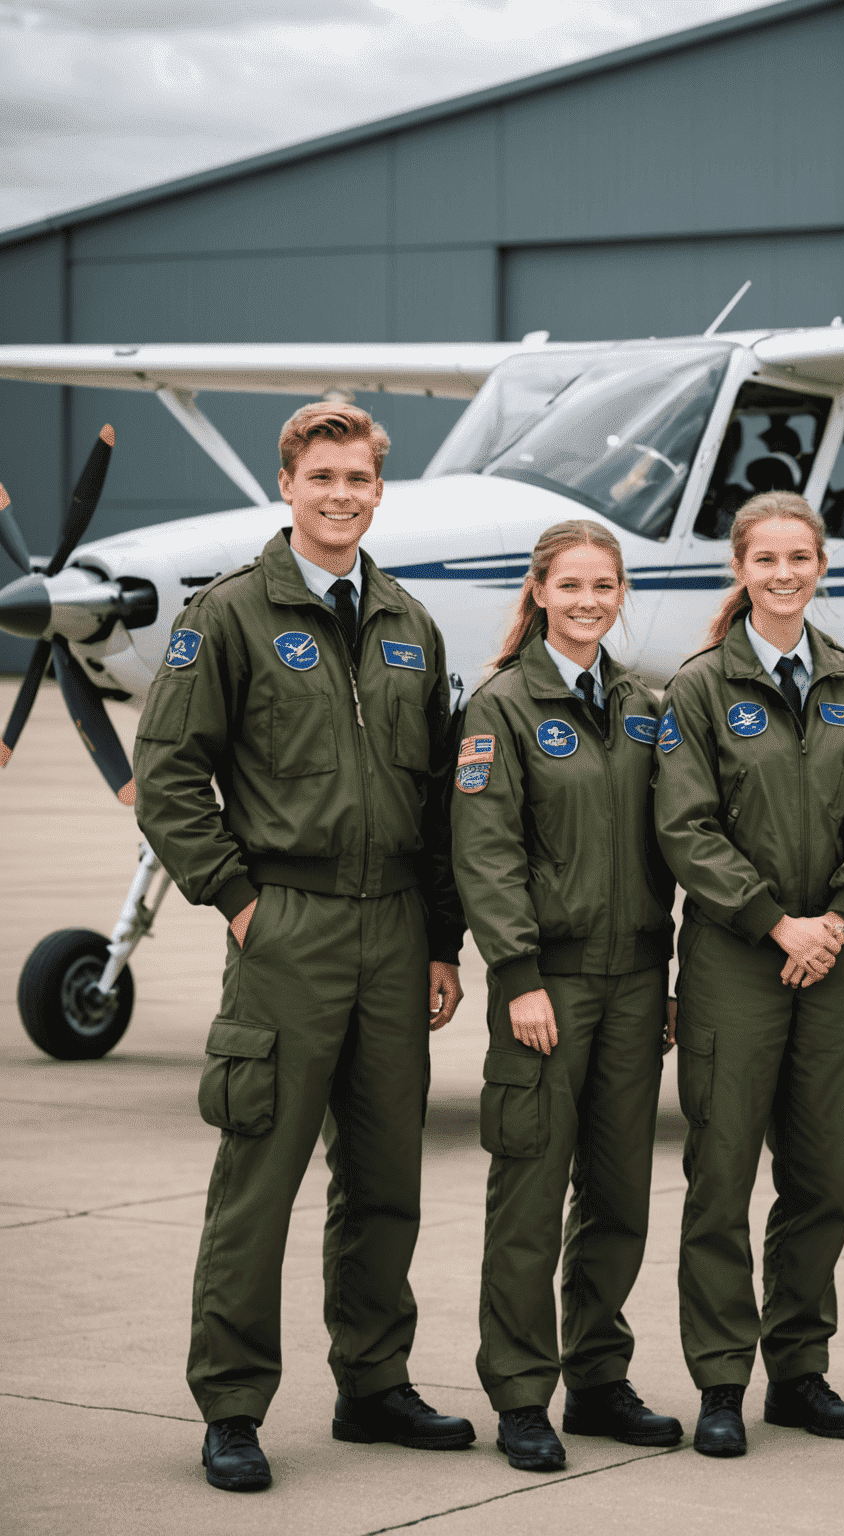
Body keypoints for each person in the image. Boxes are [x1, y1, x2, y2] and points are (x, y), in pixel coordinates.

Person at [133, 401, 472, 1493]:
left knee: (385, 1179)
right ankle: (232, 1405)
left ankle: (374, 1384)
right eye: (321, 476)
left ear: (381, 490)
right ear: (288, 484)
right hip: (290, 928)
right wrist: (237, 900)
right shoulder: (228, 616)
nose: (341, 495)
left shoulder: (410, 624)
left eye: (359, 479)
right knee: (259, 1178)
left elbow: (436, 806)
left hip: (396, 935)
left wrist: (441, 941)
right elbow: (171, 775)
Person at [652, 491, 844, 1457]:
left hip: (835, 961)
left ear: (821, 565)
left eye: (800, 558)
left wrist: (836, 920)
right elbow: (685, 827)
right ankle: (722, 1380)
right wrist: (774, 923)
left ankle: (801, 1373)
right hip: (734, 963)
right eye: (767, 560)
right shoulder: (700, 689)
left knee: (820, 1180)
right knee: (719, 1177)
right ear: (741, 570)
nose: (785, 574)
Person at [451, 519, 680, 1474]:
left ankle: (597, 1377)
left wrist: (668, 977)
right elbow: (484, 850)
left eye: (605, 585)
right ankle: (519, 1392)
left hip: (635, 980)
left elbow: (673, 842)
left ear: (621, 593)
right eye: (571, 585)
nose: (589, 600)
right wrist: (517, 976)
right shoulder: (501, 705)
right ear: (540, 591)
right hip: (549, 983)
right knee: (531, 1195)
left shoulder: (644, 704)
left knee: (620, 1192)